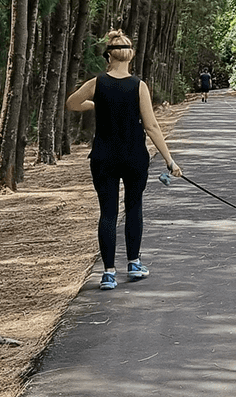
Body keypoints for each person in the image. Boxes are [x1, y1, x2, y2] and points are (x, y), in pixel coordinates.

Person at [66, 30, 181, 290]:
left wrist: (93, 105)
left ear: (109, 55)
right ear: (131, 56)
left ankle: (108, 274)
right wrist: (170, 161)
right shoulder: (139, 86)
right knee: (133, 208)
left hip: (103, 157)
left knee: (107, 213)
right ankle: (134, 263)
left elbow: (72, 103)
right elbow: (151, 126)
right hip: (134, 157)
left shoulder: (97, 83)